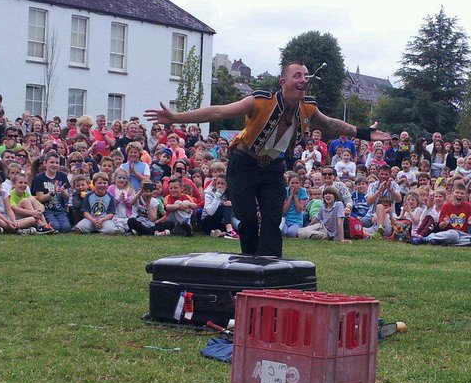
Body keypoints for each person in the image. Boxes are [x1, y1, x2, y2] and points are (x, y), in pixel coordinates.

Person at [145, 61, 383, 257]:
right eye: (297, 75)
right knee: (247, 217)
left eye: (305, 76)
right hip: (243, 163)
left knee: (272, 217)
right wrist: (176, 118)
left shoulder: (308, 108)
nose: (303, 79)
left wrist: (364, 132)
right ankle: (250, 262)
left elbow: (331, 123)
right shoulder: (260, 101)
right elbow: (218, 111)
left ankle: (270, 266)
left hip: (272, 167)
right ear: (283, 82)